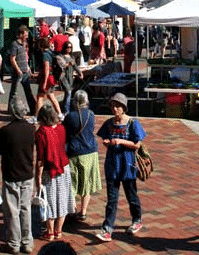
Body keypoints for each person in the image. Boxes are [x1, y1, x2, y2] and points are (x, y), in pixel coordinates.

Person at [95, 93, 146, 242]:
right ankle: (107, 229)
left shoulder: (132, 123)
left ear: (124, 107)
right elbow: (104, 138)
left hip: (127, 164)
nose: (114, 109)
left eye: (117, 106)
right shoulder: (109, 123)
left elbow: (137, 144)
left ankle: (137, 220)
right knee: (112, 199)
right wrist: (107, 142)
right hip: (112, 164)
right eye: (112, 106)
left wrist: (120, 141)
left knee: (131, 195)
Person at [0, 97, 35, 254]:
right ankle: (27, 242)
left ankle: (14, 244)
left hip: (11, 174)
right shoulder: (31, 129)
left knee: (12, 211)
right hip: (27, 172)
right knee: (25, 209)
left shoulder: (5, 131)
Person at [34, 105, 77, 241]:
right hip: (64, 167)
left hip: (49, 170)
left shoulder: (41, 132)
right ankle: (59, 231)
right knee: (63, 199)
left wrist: (38, 176)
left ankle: (50, 232)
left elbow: (40, 158)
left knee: (50, 202)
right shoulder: (61, 128)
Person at [63, 90, 102, 221]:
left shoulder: (70, 117)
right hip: (90, 151)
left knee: (72, 183)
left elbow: (65, 133)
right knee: (87, 183)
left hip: (74, 152)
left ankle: (73, 210)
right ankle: (83, 211)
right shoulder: (91, 114)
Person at [8, 26, 37, 118]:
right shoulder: (14, 44)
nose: (27, 36)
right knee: (14, 92)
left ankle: (33, 109)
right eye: (26, 34)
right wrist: (18, 70)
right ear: (21, 34)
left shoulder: (25, 44)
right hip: (18, 72)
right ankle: (11, 109)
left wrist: (28, 69)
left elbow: (25, 58)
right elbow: (12, 58)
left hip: (25, 71)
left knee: (28, 91)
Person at [36, 37, 63, 119]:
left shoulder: (45, 55)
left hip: (46, 78)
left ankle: (37, 116)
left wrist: (44, 82)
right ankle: (60, 114)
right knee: (51, 96)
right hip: (51, 78)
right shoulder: (51, 53)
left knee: (40, 97)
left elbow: (46, 68)